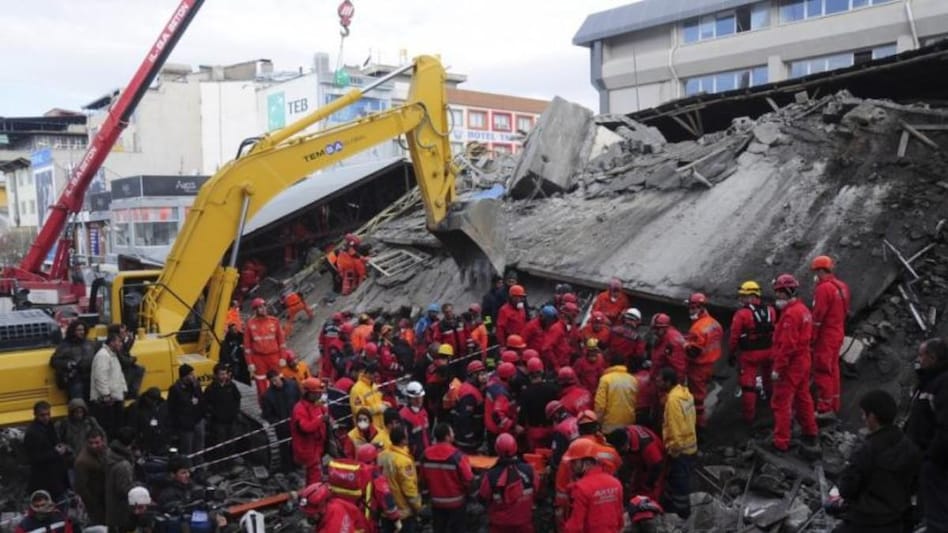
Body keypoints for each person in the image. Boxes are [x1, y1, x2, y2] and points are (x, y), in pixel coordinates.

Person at [829, 390, 921, 533]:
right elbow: (915, 485)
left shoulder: (867, 450)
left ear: (872, 416)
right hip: (896, 521)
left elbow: (847, 489)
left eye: (863, 414)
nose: (862, 418)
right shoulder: (910, 448)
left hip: (865, 520)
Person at [770, 274, 820, 455]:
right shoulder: (803, 310)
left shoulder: (791, 314)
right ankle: (810, 432)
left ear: (788, 292)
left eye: (779, 293)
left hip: (791, 364)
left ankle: (781, 442)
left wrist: (778, 368)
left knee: (781, 402)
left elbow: (787, 345)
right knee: (802, 397)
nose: (777, 297)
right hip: (803, 360)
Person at [903, 337, 948, 532]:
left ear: (932, 357)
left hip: (933, 460)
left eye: (921, 355)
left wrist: (931, 457)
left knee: (933, 513)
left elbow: (944, 427)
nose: (918, 359)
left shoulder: (942, 384)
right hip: (919, 456)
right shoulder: (928, 381)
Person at [728, 281, 776, 424]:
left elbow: (734, 336)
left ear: (752, 296)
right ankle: (770, 404)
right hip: (769, 351)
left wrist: (731, 353)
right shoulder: (770, 310)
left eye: (743, 296)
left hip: (750, 354)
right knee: (768, 378)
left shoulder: (742, 314)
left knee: (748, 384)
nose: (741, 299)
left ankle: (749, 416)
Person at [810, 255, 851, 419]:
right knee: (833, 369)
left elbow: (818, 316)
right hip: (838, 332)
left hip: (826, 336)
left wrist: (812, 337)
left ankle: (824, 408)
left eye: (815, 271)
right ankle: (834, 404)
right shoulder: (842, 286)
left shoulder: (823, 289)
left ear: (820, 270)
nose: (814, 275)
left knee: (822, 370)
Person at [656, 366, 696, 519]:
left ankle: (681, 514)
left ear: (667, 382)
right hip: (690, 445)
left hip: (680, 450)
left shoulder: (672, 401)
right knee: (681, 480)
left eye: (660, 379)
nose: (657, 381)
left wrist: (673, 449)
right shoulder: (685, 394)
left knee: (680, 483)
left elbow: (675, 427)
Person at [478, 432, 538, 533]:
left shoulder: (491, 475)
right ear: (515, 447)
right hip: (524, 524)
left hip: (499, 526)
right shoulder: (529, 470)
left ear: (497, 450)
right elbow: (538, 491)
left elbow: (482, 498)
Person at [562, 439, 625, 533]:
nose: (572, 466)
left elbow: (575, 527)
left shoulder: (580, 488)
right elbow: (620, 520)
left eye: (574, 462)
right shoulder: (615, 483)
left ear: (587, 462)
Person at [420, 424, 474, 533]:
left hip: (436, 503)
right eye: (452, 433)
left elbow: (423, 479)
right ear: (447, 437)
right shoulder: (458, 456)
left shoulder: (425, 455)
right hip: (456, 504)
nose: (453, 434)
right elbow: (468, 480)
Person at [683, 292, 723, 429]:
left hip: (698, 367)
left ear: (701, 308)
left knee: (697, 398)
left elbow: (693, 352)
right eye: (690, 308)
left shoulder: (697, 328)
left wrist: (684, 344)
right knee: (703, 391)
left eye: (693, 308)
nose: (691, 310)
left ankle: (699, 426)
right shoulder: (714, 323)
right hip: (711, 364)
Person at [379, 426, 422, 532]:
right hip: (403, 512)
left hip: (386, 510)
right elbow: (409, 489)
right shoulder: (403, 461)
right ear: (403, 440)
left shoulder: (381, 456)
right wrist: (418, 508)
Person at [25, 401, 69, 503]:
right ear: (36, 415)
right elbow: (34, 458)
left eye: (48, 414)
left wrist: (61, 447)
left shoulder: (49, 426)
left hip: (56, 474)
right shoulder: (32, 433)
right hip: (45, 479)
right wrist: (55, 452)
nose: (46, 418)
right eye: (42, 415)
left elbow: (55, 442)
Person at [606, 425, 665, 502]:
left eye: (620, 450)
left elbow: (657, 466)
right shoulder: (624, 434)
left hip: (655, 464)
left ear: (626, 444)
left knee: (650, 493)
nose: (619, 453)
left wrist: (648, 484)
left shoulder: (648, 446)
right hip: (640, 462)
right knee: (634, 488)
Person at [292, 377, 330, 484]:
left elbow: (325, 411)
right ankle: (312, 496)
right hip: (307, 450)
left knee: (316, 474)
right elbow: (305, 427)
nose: (319, 395)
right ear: (308, 393)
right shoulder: (299, 409)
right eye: (316, 393)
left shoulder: (316, 405)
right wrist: (321, 419)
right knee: (313, 478)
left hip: (317, 448)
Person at [90, 329, 128, 437]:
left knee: (117, 426)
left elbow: (119, 374)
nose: (121, 344)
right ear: (112, 342)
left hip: (115, 398)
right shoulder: (103, 356)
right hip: (106, 401)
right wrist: (106, 395)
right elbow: (100, 377)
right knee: (108, 428)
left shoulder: (113, 355)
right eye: (119, 342)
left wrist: (124, 389)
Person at [261, 370, 300, 472]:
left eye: (275, 380)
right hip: (282, 426)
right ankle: (287, 468)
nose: (275, 383)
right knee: (284, 447)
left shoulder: (292, 385)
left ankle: (297, 463)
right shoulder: (268, 396)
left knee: (297, 444)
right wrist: (278, 422)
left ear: (279, 377)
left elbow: (299, 400)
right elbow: (267, 414)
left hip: (296, 422)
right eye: (272, 381)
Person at [244, 297, 286, 392]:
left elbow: (281, 342)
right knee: (261, 383)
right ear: (255, 310)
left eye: (263, 306)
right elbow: (247, 347)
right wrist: (250, 362)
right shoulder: (250, 324)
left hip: (274, 356)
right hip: (259, 358)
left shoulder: (274, 321)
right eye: (259, 307)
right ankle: (264, 404)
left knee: (279, 380)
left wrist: (283, 357)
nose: (262, 308)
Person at [203, 363, 242, 467]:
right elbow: (206, 405)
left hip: (231, 420)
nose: (224, 376)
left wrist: (235, 412)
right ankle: (220, 465)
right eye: (221, 374)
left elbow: (237, 399)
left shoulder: (231, 386)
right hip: (219, 422)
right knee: (220, 444)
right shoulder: (211, 389)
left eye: (225, 374)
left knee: (231, 443)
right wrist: (215, 415)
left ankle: (231, 464)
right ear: (216, 375)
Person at [519, 357, 560, 451]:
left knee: (536, 459)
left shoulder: (526, 393)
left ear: (529, 374)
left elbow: (522, 414)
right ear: (542, 371)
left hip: (535, 431)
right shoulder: (553, 389)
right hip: (551, 428)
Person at [49, 320, 95, 400]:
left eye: (83, 330)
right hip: (75, 380)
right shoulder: (65, 345)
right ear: (73, 331)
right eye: (79, 330)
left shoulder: (90, 343)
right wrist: (68, 364)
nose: (82, 332)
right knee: (78, 404)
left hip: (90, 379)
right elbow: (54, 361)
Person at [595, 352, 639, 433]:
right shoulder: (633, 380)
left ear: (610, 364)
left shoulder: (605, 379)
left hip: (609, 426)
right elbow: (636, 403)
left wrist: (598, 422)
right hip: (629, 425)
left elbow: (600, 405)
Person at [167, 364, 205, 457]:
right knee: (187, 449)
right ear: (185, 376)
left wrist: (201, 416)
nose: (193, 375)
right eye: (191, 374)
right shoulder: (175, 389)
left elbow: (201, 400)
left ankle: (199, 468)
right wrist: (179, 423)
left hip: (198, 421)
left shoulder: (196, 385)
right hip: (185, 425)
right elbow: (171, 408)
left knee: (199, 448)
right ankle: (188, 469)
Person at [299, 482, 369, 533]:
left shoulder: (328, 530)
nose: (308, 517)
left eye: (311, 514)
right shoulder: (337, 503)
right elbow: (357, 514)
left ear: (322, 509)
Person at [74, 429, 109, 526]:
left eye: (97, 442)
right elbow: (80, 487)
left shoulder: (103, 450)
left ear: (102, 441)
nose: (94, 446)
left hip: (106, 496)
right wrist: (92, 505)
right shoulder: (82, 461)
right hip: (96, 500)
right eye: (91, 443)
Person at [452, 360, 487, 453]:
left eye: (484, 373)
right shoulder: (470, 394)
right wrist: (469, 436)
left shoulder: (472, 388)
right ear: (473, 375)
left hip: (472, 432)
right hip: (467, 439)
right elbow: (464, 418)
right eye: (480, 374)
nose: (484, 377)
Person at [105, 427, 136, 532]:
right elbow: (124, 489)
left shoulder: (109, 452)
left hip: (108, 503)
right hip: (120, 509)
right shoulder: (124, 465)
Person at [485, 362, 520, 452]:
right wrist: (513, 426)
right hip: (497, 432)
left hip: (489, 427)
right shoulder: (502, 394)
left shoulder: (493, 383)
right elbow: (497, 415)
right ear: (509, 377)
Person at [125, 387, 167, 456]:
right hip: (142, 442)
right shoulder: (135, 407)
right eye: (152, 400)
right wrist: (136, 446)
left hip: (157, 441)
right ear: (147, 397)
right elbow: (133, 427)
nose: (154, 403)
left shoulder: (160, 404)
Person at [351, 363, 388, 430]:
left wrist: (384, 404)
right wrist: (377, 408)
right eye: (375, 376)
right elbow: (358, 411)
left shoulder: (374, 386)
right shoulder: (357, 389)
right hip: (366, 430)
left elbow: (376, 402)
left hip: (379, 427)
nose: (377, 379)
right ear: (368, 374)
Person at [399, 381, 430, 461]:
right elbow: (405, 439)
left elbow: (426, 433)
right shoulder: (404, 415)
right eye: (416, 398)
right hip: (414, 457)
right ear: (409, 399)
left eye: (420, 397)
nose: (419, 400)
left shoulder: (423, 411)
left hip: (426, 452)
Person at [548, 400, 579, 470]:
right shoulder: (576, 420)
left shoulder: (560, 429)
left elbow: (557, 457)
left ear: (555, 415)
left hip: (572, 465)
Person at [495, 285, 527, 349]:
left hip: (520, 340)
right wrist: (502, 345)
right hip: (510, 342)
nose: (521, 300)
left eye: (522, 297)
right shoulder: (504, 310)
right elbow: (500, 329)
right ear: (512, 297)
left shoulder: (521, 308)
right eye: (519, 297)